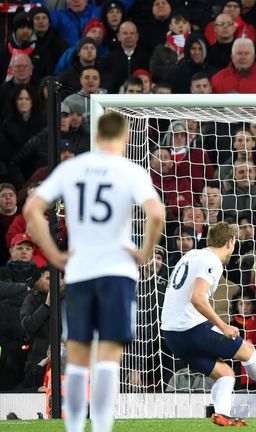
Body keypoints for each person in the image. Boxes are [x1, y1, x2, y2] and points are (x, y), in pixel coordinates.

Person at [23, 112, 166, 432]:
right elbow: (157, 213)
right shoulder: (131, 170)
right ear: (126, 137)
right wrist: (144, 252)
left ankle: (74, 427)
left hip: (81, 271)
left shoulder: (71, 168)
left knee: (76, 353)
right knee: (108, 355)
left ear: (96, 136)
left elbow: (31, 208)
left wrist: (55, 253)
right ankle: (101, 426)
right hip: (117, 271)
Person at [161, 223, 256, 426]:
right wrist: (223, 326)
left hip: (171, 334)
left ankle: (222, 414)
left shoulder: (192, 256)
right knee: (247, 351)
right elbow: (197, 297)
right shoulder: (212, 261)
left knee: (225, 373)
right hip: (189, 328)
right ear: (230, 242)